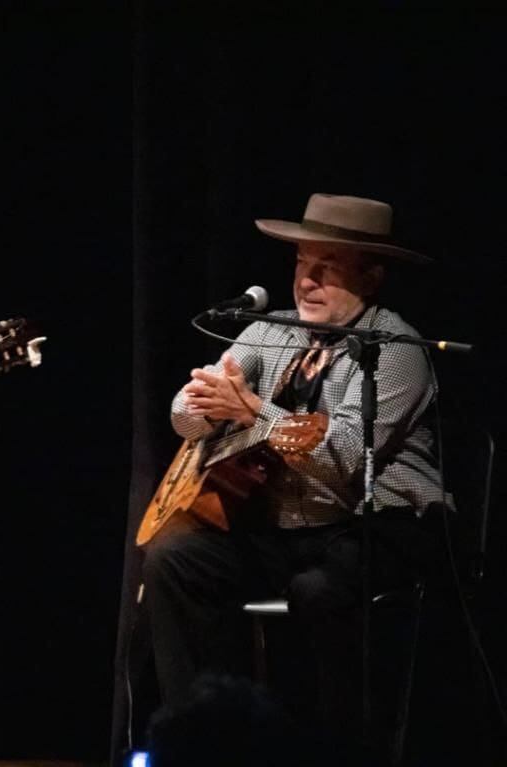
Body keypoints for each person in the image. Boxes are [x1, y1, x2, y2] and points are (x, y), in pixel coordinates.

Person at [141, 193, 446, 744]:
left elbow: (348, 461)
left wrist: (252, 411)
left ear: (371, 277)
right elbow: (183, 416)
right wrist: (203, 400)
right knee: (175, 558)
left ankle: (335, 750)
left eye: (327, 266)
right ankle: (206, 742)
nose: (307, 280)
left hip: (379, 525)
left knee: (319, 590)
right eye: (303, 262)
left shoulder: (398, 349)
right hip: (285, 528)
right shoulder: (269, 331)